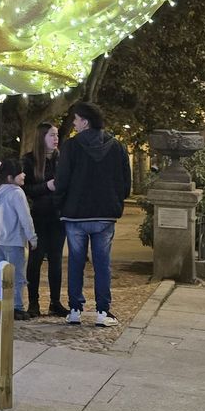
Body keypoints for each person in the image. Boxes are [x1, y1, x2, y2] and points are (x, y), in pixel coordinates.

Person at [48, 101, 130, 327]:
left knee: (76, 262)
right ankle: (103, 311)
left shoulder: (71, 147)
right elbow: (125, 182)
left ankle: (75, 309)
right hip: (105, 214)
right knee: (102, 264)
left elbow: (62, 179)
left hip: (75, 214)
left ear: (84, 121)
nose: (73, 123)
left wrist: (60, 204)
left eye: (75, 119)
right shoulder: (117, 147)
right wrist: (116, 201)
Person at [22, 123, 65, 316]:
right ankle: (33, 302)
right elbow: (26, 189)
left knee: (56, 260)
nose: (56, 139)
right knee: (35, 260)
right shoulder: (29, 161)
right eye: (52, 135)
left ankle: (55, 302)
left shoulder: (62, 159)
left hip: (58, 217)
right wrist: (47, 186)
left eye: (57, 136)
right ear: (42, 138)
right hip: (38, 217)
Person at [0, 158, 38, 320]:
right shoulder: (16, 193)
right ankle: (16, 306)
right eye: (20, 172)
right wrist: (32, 237)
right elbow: (25, 217)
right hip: (13, 241)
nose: (24, 174)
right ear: (10, 177)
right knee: (17, 275)